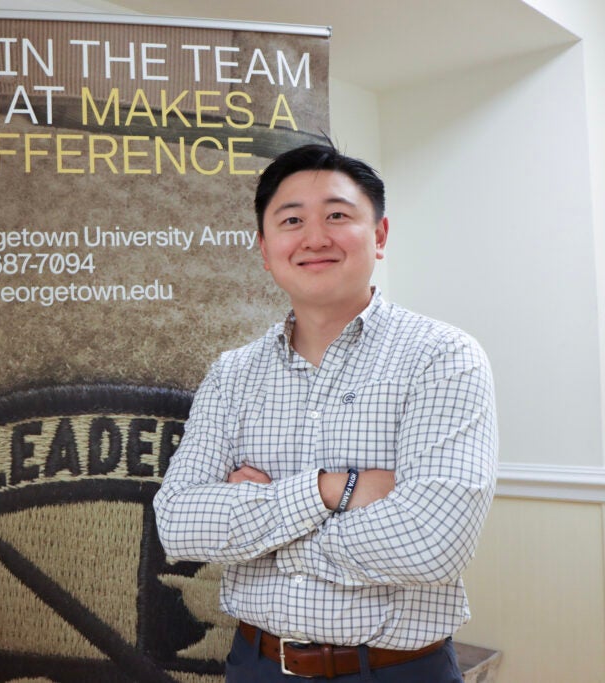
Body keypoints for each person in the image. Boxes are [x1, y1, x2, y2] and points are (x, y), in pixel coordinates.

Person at [153, 143, 498, 682]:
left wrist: (259, 532)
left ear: (379, 235)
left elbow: (433, 545)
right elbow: (176, 524)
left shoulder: (442, 356)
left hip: (395, 670)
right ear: (265, 249)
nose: (315, 237)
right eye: (292, 220)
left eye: (338, 215)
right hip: (256, 665)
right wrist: (327, 490)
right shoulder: (232, 373)